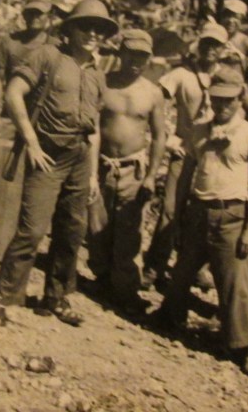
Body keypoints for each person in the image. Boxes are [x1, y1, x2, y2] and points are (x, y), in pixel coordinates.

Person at [0, 0, 117, 334]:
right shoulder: (49, 56)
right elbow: (12, 93)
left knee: (72, 230)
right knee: (32, 229)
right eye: (86, 26)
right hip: (50, 154)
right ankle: (0, 304)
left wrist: (93, 172)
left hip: (81, 157)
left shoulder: (98, 73)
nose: (93, 34)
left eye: (100, 29)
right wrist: (32, 143)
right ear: (70, 29)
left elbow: (93, 128)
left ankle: (56, 296)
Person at [156, 66, 248, 376]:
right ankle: (169, 317)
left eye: (229, 101)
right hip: (198, 212)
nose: (223, 106)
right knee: (182, 273)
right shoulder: (199, 130)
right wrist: (177, 217)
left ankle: (242, 347)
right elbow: (186, 175)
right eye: (217, 100)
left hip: (232, 215)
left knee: (236, 285)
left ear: (240, 99)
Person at [141, 23, 228, 288]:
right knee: (170, 209)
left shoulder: (226, 78)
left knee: (201, 215)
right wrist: (167, 137)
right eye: (206, 44)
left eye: (216, 45)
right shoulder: (181, 74)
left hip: (213, 157)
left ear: (223, 49)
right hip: (185, 152)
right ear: (198, 46)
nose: (210, 50)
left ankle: (193, 268)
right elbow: (154, 100)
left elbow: (246, 109)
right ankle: (154, 267)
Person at [87, 29, 166, 314]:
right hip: (104, 164)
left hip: (134, 169)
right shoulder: (104, 84)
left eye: (143, 56)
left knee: (129, 231)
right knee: (97, 227)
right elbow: (93, 129)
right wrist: (91, 173)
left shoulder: (153, 93)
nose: (136, 61)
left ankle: (125, 290)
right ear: (120, 53)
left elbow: (159, 136)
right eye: (131, 53)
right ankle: (101, 278)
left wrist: (151, 176)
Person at [0, 0, 54, 137]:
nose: (34, 17)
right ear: (23, 15)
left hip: (45, 116)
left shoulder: (55, 46)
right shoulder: (10, 42)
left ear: (48, 17)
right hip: (12, 112)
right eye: (30, 13)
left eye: (39, 13)